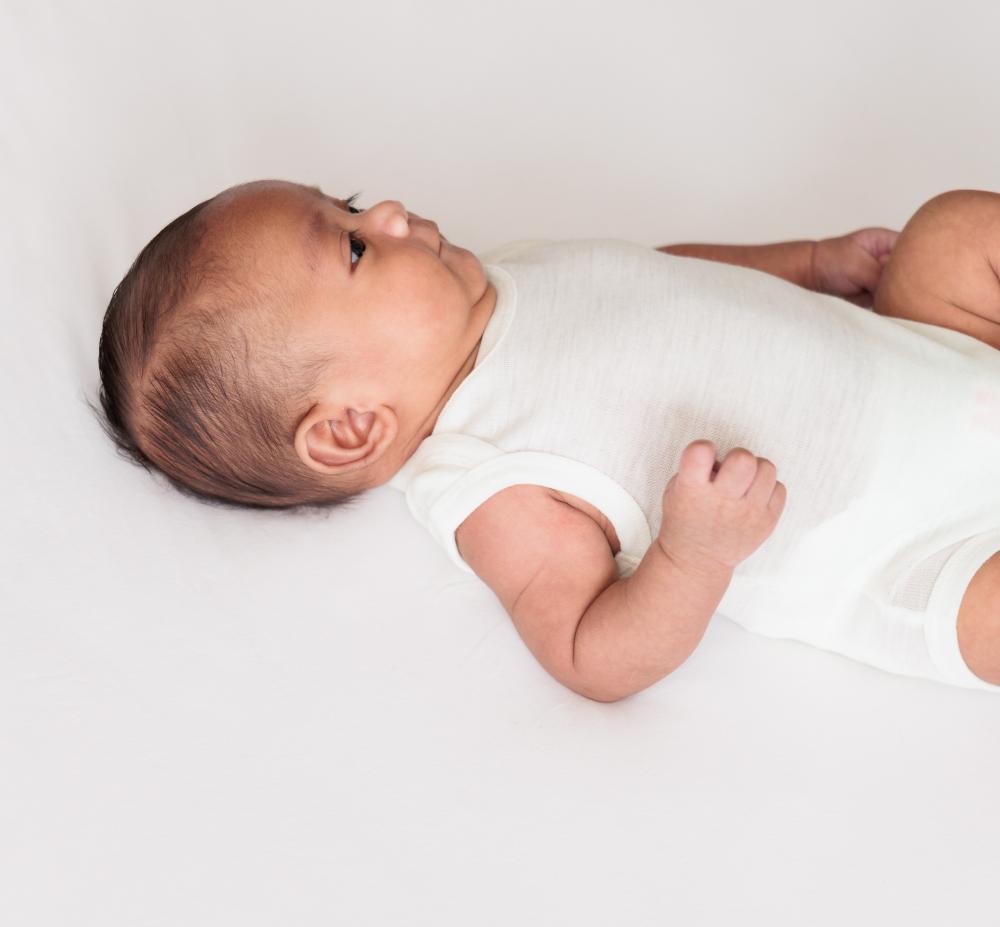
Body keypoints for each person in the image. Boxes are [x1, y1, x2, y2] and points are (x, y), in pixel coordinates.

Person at [95, 180, 1000, 699]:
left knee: (954, 235)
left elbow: (666, 276)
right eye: (355, 248)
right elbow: (589, 653)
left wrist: (805, 261)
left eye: (352, 203)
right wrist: (695, 554)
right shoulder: (490, 481)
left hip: (936, 353)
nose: (393, 214)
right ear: (350, 428)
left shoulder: (506, 274)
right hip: (925, 551)